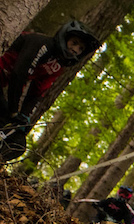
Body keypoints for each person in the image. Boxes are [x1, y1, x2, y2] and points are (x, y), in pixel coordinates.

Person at [0, 21, 99, 161]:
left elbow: (37, 92)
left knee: (18, 143)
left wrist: (24, 118)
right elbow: (19, 74)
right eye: (74, 42)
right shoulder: (42, 44)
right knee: (5, 114)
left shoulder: (57, 66)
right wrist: (14, 111)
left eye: (81, 48)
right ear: (65, 37)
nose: (76, 49)